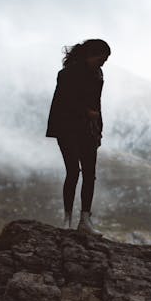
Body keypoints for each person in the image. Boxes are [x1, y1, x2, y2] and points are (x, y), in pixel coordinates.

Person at [46, 38, 110, 234]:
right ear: (91, 55)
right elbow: (64, 102)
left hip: (88, 129)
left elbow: (96, 104)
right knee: (73, 171)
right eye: (102, 59)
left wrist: (98, 128)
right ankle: (67, 220)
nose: (103, 63)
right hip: (67, 128)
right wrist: (86, 113)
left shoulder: (98, 75)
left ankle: (85, 220)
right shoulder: (67, 74)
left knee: (90, 174)